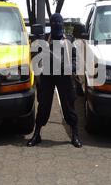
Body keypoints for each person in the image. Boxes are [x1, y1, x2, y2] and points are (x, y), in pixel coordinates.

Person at [27, 13, 83, 148]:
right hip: (47, 76)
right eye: (54, 26)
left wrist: (71, 66)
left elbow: (77, 60)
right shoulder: (44, 40)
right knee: (44, 105)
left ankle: (75, 134)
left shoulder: (69, 40)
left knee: (69, 105)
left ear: (62, 26)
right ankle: (37, 133)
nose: (57, 29)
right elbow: (35, 58)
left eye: (59, 26)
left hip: (65, 77)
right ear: (51, 26)